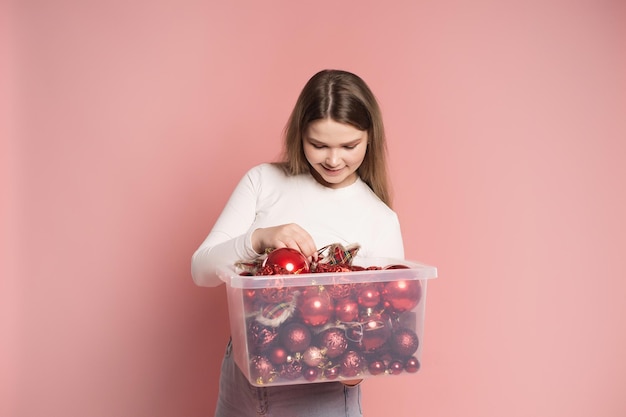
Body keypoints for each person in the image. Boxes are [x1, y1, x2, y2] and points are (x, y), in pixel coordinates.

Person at [191, 69, 405, 417]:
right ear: (299, 135)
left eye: (349, 146)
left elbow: (383, 329)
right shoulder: (263, 181)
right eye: (318, 145)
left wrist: (357, 364)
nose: (333, 160)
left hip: (319, 391)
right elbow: (201, 270)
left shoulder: (379, 219)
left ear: (370, 138)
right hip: (242, 377)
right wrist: (258, 238)